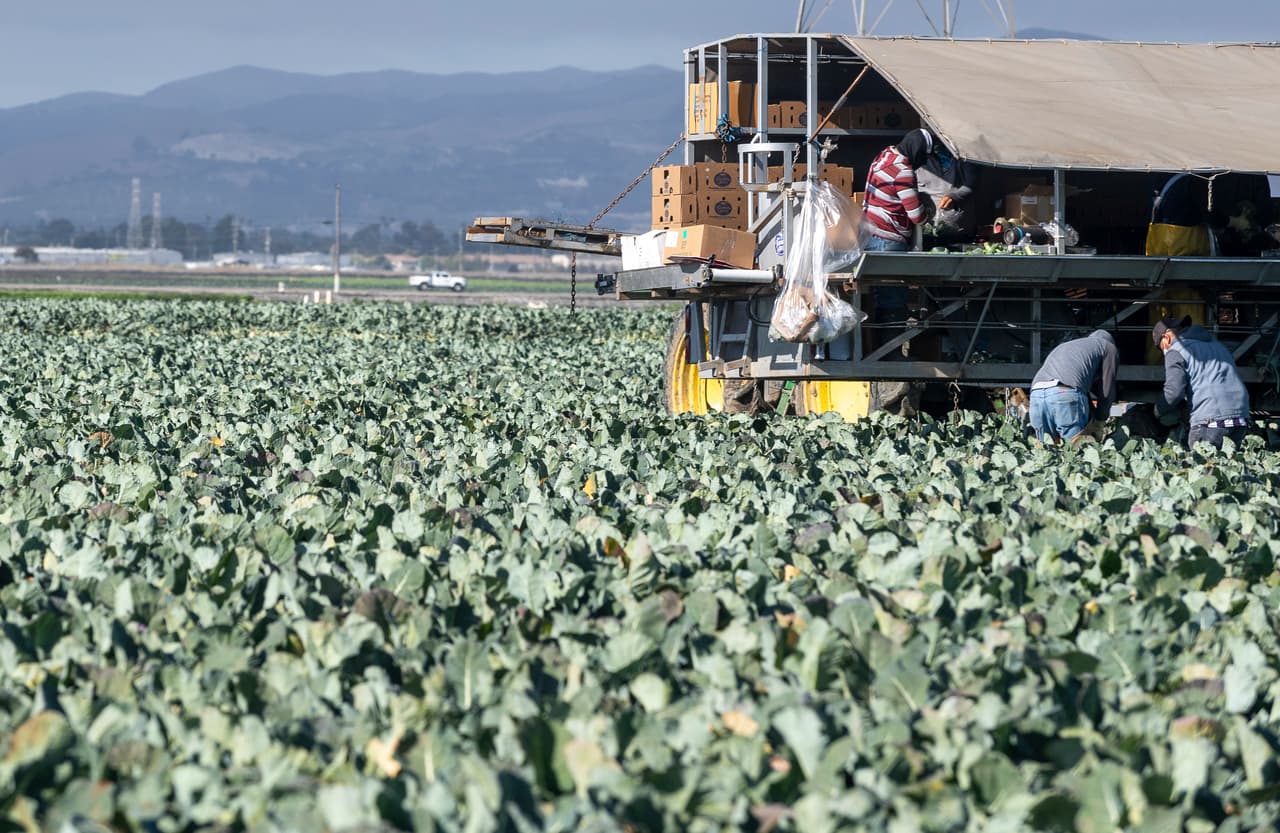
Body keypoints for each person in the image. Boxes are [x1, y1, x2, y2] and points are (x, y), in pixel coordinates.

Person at [862, 129, 934, 328]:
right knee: (892, 301)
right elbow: (916, 215)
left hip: (870, 236)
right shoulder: (903, 170)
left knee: (878, 298)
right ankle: (891, 354)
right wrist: (929, 211)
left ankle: (877, 352)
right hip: (888, 241)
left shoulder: (884, 155)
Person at [1152, 315, 1250, 449]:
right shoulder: (1216, 344)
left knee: (1204, 466)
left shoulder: (1175, 350)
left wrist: (1158, 410)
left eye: (1160, 347)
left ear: (1166, 338)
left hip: (1211, 420)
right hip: (1240, 417)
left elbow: (1174, 392)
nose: (1162, 351)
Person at [1028, 330, 1118, 445]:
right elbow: (1107, 390)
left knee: (1045, 451)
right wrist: (1100, 421)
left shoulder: (1071, 347)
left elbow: (1082, 392)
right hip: (1064, 393)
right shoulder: (1108, 347)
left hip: (1036, 394)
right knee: (1075, 453)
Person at [915, 145, 978, 243]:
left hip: (959, 229)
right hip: (927, 229)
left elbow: (971, 184)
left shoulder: (964, 156)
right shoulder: (918, 159)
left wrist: (954, 197)